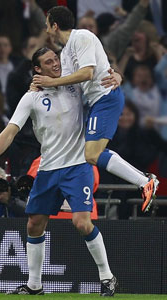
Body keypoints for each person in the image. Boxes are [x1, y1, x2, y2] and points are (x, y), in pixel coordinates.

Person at [0, 48, 118, 297]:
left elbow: (105, 82)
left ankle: (107, 278)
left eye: (56, 59)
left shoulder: (75, 85)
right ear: (37, 70)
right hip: (48, 168)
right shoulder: (30, 98)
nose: (56, 64)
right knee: (34, 224)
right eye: (49, 62)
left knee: (82, 223)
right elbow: (10, 130)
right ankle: (34, 285)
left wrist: (117, 77)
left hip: (77, 165)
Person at [32, 5, 159, 213]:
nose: (46, 31)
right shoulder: (64, 54)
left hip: (106, 98)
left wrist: (52, 82)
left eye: (47, 26)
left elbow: (88, 73)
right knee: (90, 153)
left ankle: (144, 181)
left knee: (92, 154)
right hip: (97, 102)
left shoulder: (82, 37)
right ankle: (144, 181)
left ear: (55, 26)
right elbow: (72, 82)